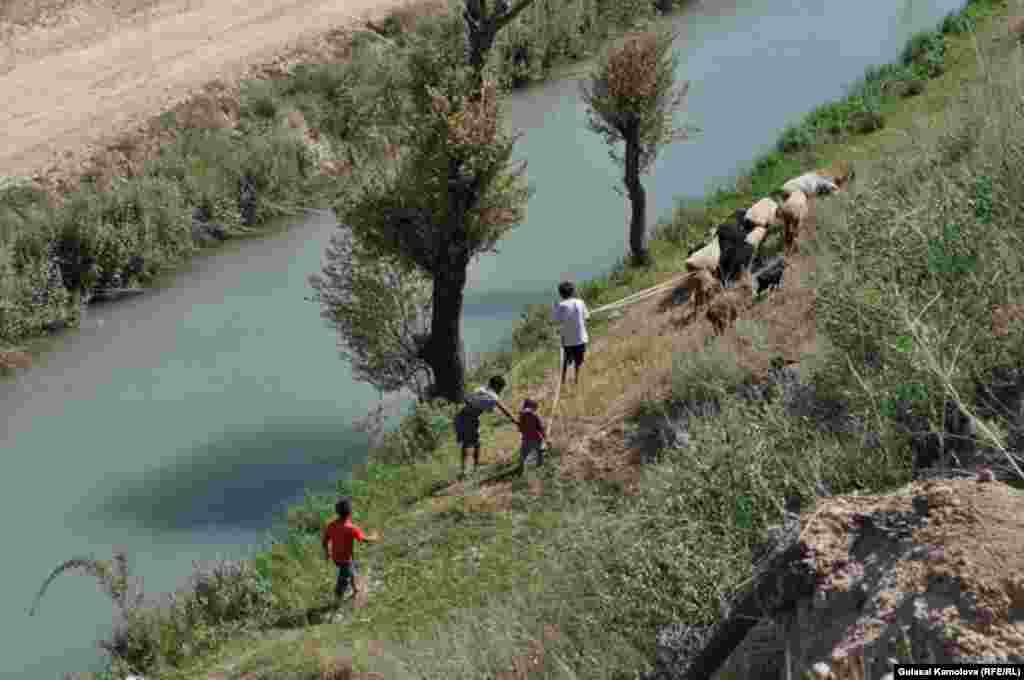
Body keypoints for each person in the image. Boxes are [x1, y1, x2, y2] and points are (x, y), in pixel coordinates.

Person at [453, 375, 518, 477]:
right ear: (496, 386)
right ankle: (473, 468)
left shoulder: (481, 389)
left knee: (468, 444)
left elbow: (468, 399)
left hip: (460, 417)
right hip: (468, 420)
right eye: (500, 388)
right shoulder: (493, 396)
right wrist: (516, 421)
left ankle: (465, 469)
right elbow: (505, 411)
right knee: (474, 443)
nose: (500, 391)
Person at [322, 498, 380, 605]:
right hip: (345, 559)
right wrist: (374, 538)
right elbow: (363, 539)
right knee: (343, 579)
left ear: (337, 512)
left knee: (351, 569)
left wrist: (327, 552)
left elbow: (325, 540)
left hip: (336, 557)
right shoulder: (351, 528)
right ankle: (337, 599)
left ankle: (355, 589)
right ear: (350, 512)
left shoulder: (331, 525)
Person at [552, 281, 590, 388]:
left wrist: (555, 308)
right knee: (579, 362)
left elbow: (556, 320)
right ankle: (578, 382)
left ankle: (563, 383)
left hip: (567, 341)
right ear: (573, 291)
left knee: (565, 363)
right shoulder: (580, 302)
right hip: (581, 338)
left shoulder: (560, 305)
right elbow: (587, 317)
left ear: (561, 294)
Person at [517, 398, 547, 474]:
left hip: (526, 439)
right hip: (536, 438)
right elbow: (541, 428)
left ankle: (521, 471)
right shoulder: (535, 415)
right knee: (539, 454)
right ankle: (539, 469)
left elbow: (520, 429)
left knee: (523, 456)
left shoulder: (521, 416)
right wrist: (546, 438)